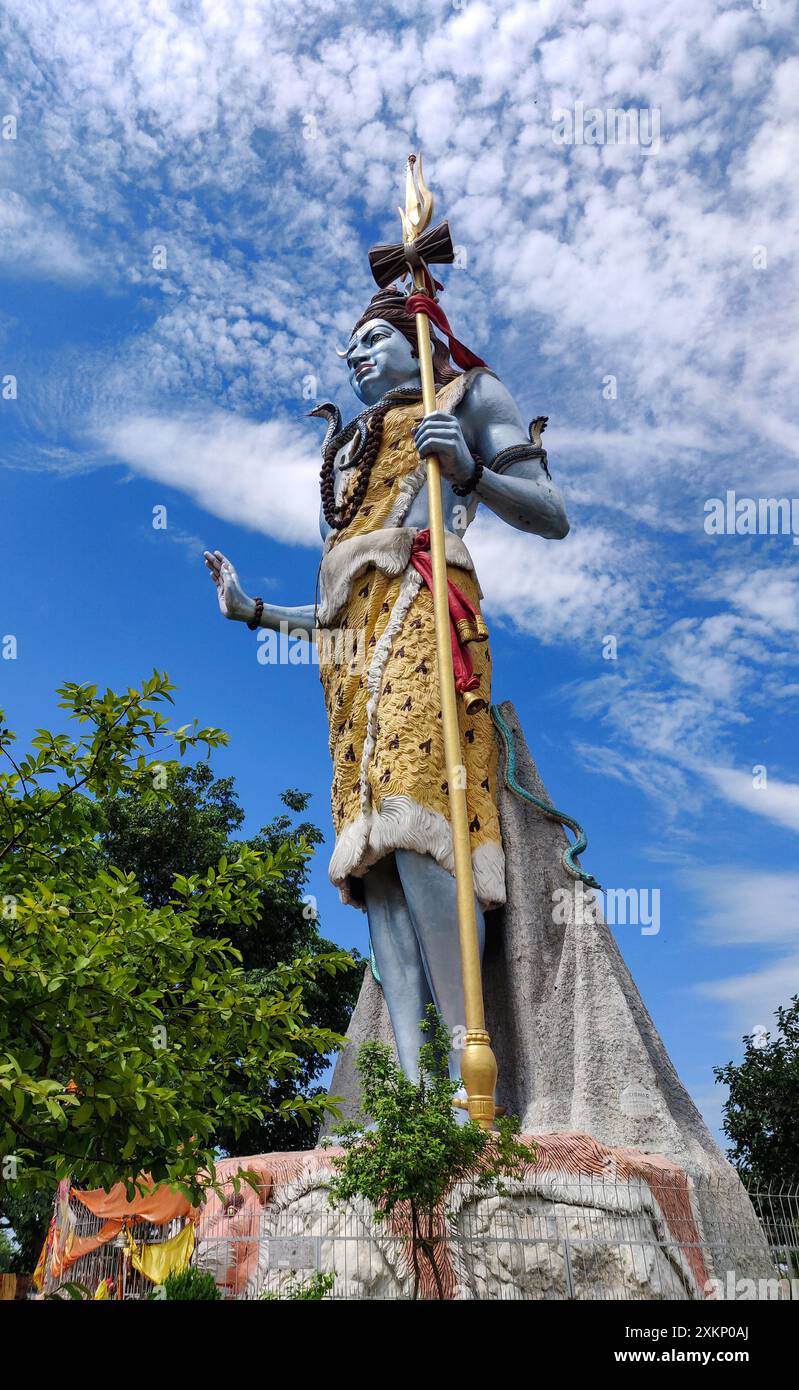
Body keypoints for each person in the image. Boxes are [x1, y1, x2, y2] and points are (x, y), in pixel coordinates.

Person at [204, 287, 569, 1091]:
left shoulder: (469, 395)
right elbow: (337, 611)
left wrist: (471, 467)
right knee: (375, 866)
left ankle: (475, 1078)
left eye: (373, 339)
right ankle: (415, 1096)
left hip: (424, 618)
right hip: (350, 666)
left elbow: (549, 514)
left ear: (419, 341)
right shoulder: (350, 450)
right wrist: (255, 612)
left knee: (420, 826)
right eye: (350, 350)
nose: (356, 356)